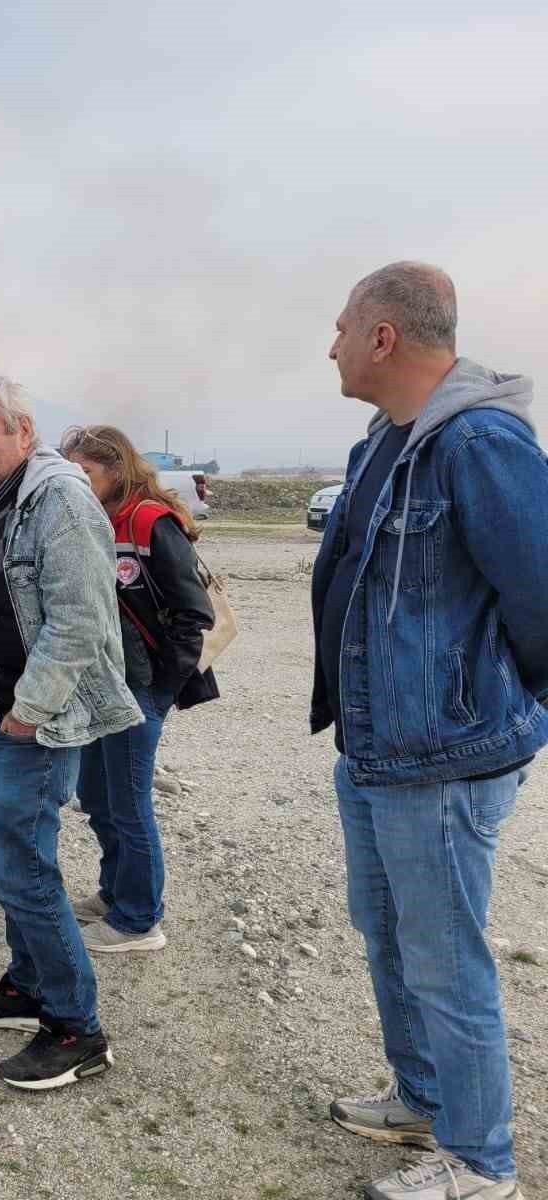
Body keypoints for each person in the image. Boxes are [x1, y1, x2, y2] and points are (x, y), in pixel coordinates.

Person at [314, 262, 544, 1200]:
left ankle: (481, 1163)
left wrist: (479, 706)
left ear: (383, 338)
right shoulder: (384, 441)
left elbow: (541, 594)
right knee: (392, 939)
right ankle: (423, 1100)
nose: (327, 346)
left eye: (339, 328)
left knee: (447, 963)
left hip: (444, 757)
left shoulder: (480, 442)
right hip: (375, 749)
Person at [0, 376, 141, 1090]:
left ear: (22, 431)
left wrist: (29, 710)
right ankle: (27, 986)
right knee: (7, 862)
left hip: (31, 724)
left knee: (23, 868)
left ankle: (76, 1028)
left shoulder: (57, 497)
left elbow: (80, 618)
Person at [58, 425, 216, 954]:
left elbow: (193, 614)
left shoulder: (148, 521)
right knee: (96, 797)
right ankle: (114, 894)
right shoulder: (91, 519)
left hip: (136, 692)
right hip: (97, 687)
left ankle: (140, 920)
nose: (76, 482)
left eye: (86, 473)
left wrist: (160, 694)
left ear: (116, 470)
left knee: (129, 803)